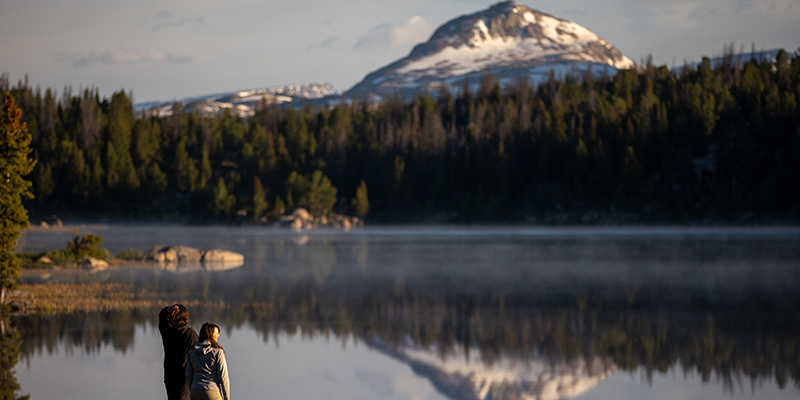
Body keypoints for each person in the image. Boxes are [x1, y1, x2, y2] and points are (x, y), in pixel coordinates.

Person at [159, 304, 199, 400]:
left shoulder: (167, 331)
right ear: (185, 317)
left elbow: (161, 315)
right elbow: (198, 355)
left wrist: (169, 309)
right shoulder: (190, 333)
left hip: (169, 374)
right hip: (184, 377)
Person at [186, 322, 230, 400]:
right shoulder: (218, 352)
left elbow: (189, 374)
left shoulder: (192, 351)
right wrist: (227, 397)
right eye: (216, 333)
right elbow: (223, 376)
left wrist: (193, 388)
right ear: (210, 335)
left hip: (195, 390)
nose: (218, 335)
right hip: (212, 390)